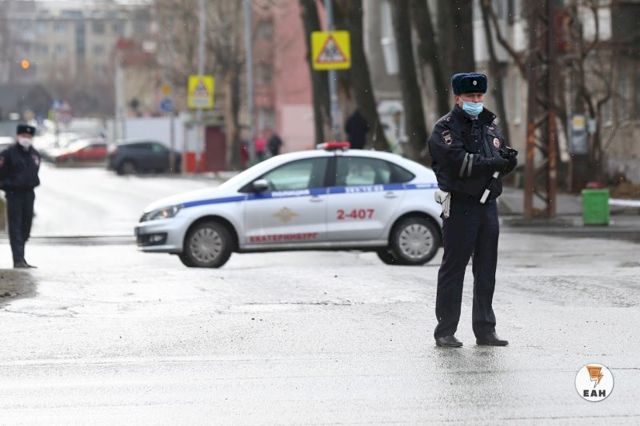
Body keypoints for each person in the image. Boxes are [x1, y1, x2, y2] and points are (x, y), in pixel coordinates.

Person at [427, 73, 517, 348]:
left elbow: (498, 156)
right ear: (458, 98)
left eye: (479, 96)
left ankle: (485, 329)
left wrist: (507, 161)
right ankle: (445, 330)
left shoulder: (489, 125)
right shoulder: (446, 128)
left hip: (487, 205)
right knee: (454, 269)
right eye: (470, 96)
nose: (476, 101)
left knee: (486, 268)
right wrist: (492, 163)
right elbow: (457, 162)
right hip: (460, 205)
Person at [0, 124, 41, 268]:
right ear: (18, 136)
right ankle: (18, 259)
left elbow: (35, 172)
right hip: (14, 194)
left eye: (29, 136)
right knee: (15, 226)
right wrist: (9, 185)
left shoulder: (34, 154)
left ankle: (22, 258)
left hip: (29, 194)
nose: (26, 139)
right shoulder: (8, 154)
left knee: (26, 226)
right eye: (24, 136)